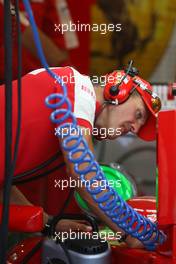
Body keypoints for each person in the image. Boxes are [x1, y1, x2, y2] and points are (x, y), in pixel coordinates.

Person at [0, 65, 161, 248]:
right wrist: (131, 231)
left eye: (140, 127)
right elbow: (84, 173)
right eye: (138, 114)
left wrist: (51, 224)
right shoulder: (77, 87)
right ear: (117, 90)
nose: (135, 128)